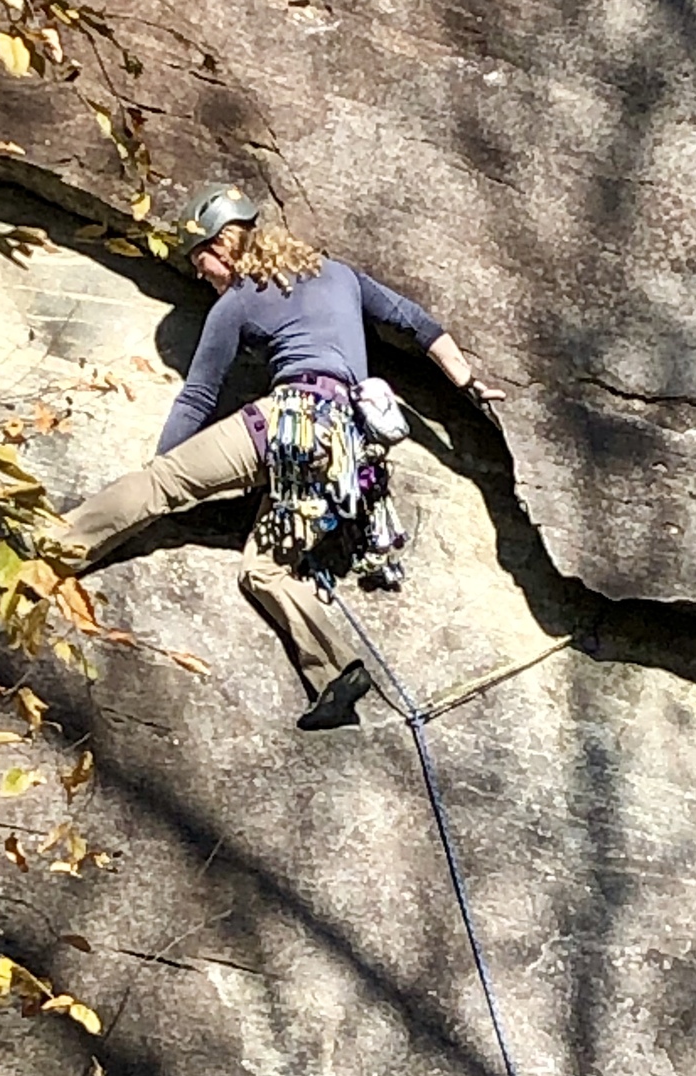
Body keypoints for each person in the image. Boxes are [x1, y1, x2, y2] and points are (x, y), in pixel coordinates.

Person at [42, 185, 503, 731]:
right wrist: (468, 381)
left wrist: (168, 465)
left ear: (223, 246)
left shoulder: (238, 300)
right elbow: (415, 323)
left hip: (291, 419)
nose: (200, 274)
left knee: (162, 483)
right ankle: (336, 673)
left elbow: (199, 395)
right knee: (264, 569)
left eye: (200, 260)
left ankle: (48, 548)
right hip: (350, 451)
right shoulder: (339, 275)